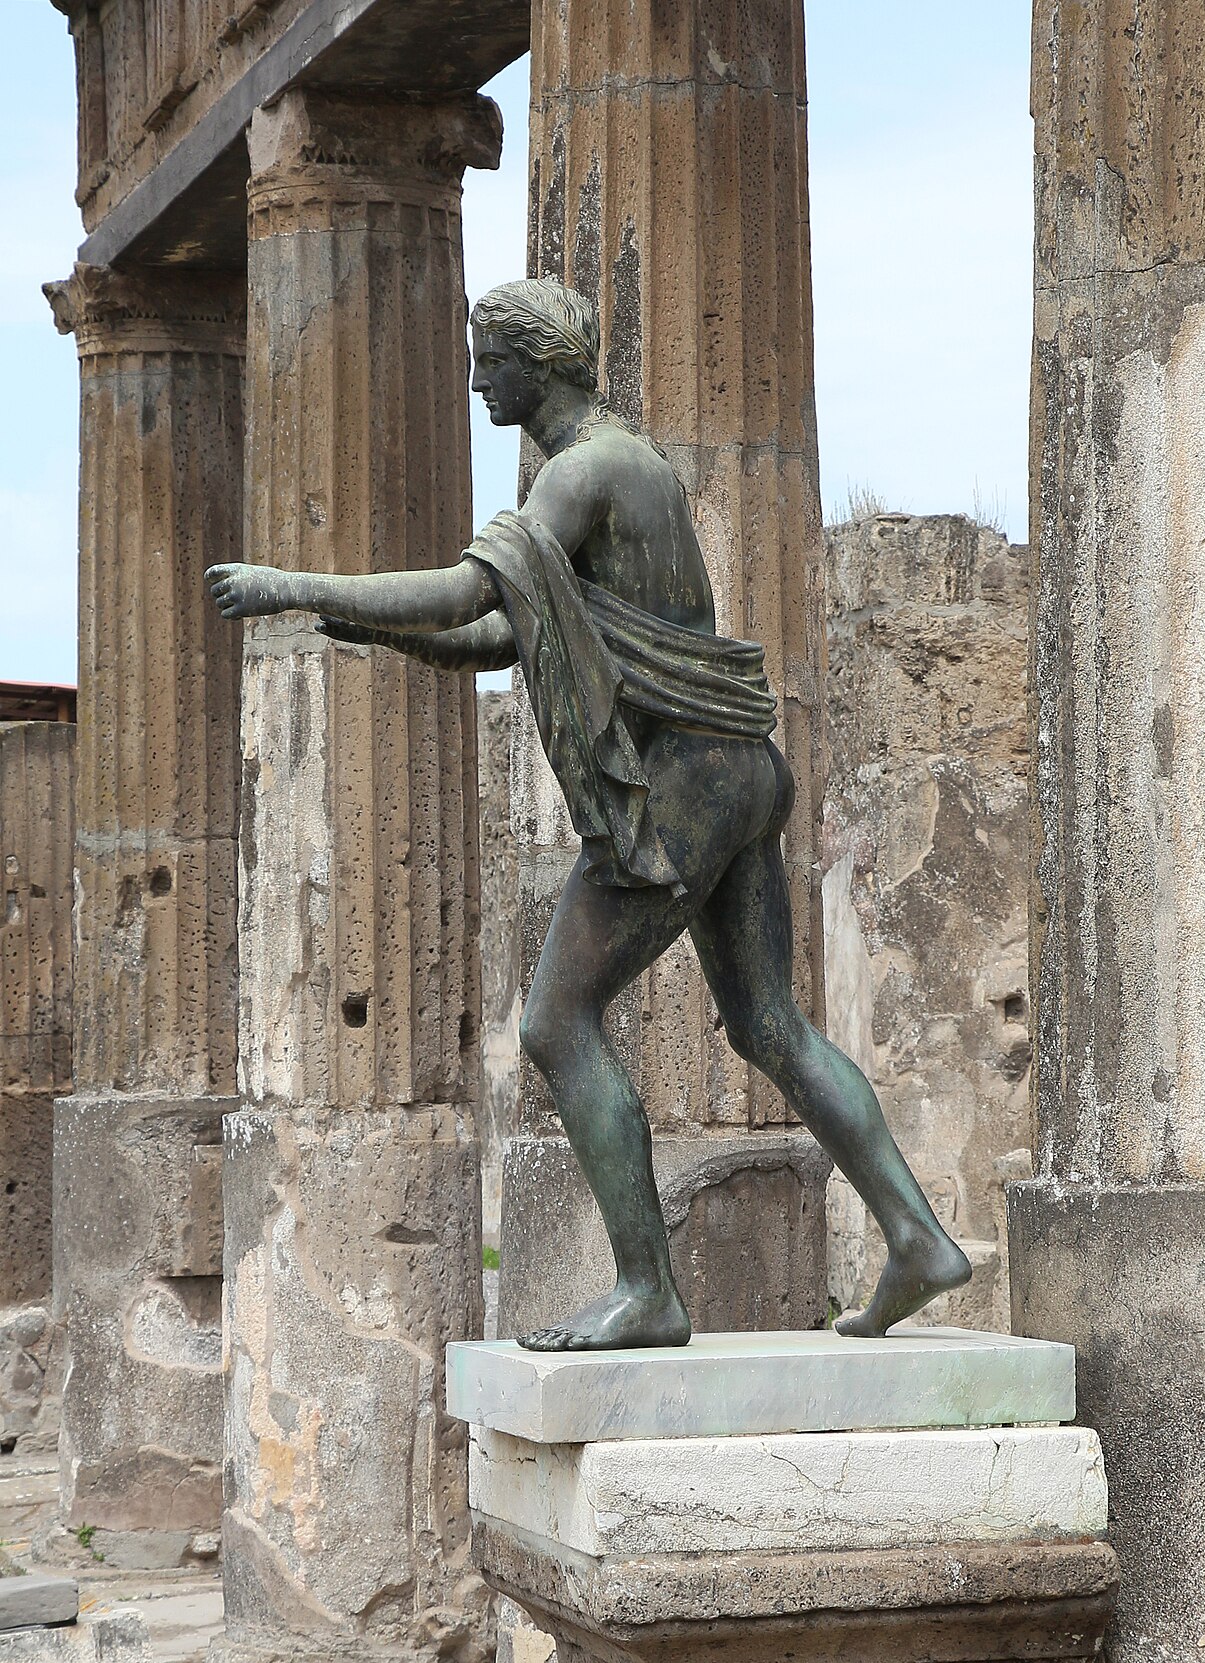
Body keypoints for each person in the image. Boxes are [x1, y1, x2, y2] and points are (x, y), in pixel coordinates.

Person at [207, 277, 971, 1351]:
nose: (475, 377)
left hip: (683, 787)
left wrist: (293, 584)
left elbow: (464, 597)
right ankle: (917, 1239)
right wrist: (367, 630)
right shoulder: (621, 463)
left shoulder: (582, 473)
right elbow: (497, 638)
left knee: (555, 1023)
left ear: (542, 360)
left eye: (489, 358)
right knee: (768, 1026)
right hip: (737, 766)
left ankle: (647, 1290)